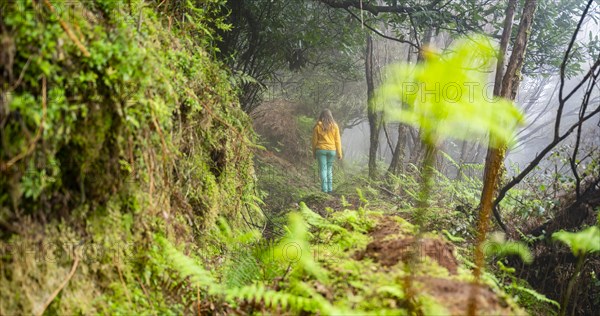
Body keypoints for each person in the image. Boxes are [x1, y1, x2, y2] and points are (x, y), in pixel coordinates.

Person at [312, 109, 342, 193]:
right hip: (331, 150)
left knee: (323, 170)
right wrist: (339, 153)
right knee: (329, 169)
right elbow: (338, 140)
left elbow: (314, 141)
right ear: (330, 116)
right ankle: (330, 189)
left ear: (321, 116)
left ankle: (324, 190)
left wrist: (314, 153)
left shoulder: (317, 127)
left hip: (321, 150)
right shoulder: (335, 126)